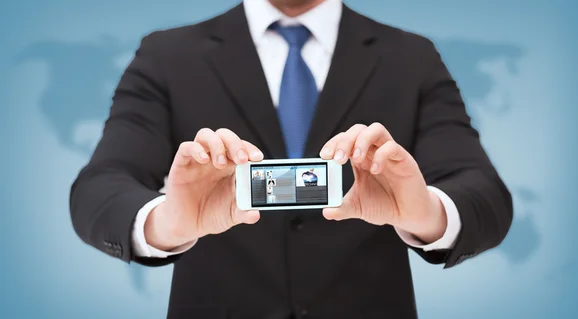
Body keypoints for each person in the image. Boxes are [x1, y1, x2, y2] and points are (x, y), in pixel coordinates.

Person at [69, 0, 513, 318]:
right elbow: (100, 187)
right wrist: (168, 224)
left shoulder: (412, 57)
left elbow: (484, 193)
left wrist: (427, 212)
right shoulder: (166, 56)